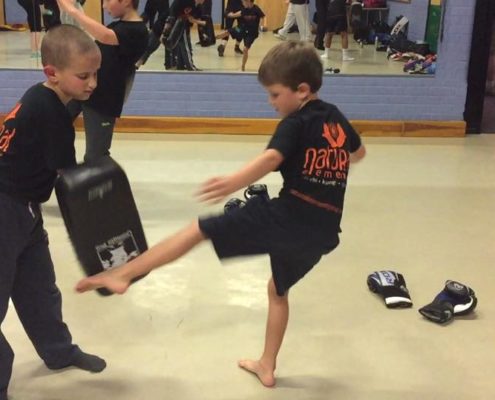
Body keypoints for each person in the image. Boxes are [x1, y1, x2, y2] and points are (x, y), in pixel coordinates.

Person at [75, 41, 366, 387]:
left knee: (200, 228)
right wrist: (324, 168)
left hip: (290, 215)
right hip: (323, 231)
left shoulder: (295, 123)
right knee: (278, 290)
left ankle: (124, 274)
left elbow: (272, 158)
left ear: (301, 91)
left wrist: (233, 182)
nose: (271, 103)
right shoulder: (335, 117)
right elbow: (358, 153)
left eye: (274, 95)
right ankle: (267, 366)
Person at [0, 25, 105, 400]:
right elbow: (69, 180)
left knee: (39, 288)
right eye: (84, 76)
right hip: (5, 210)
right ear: (52, 73)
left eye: (96, 73)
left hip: (24, 207)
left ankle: (59, 352)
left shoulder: (45, 97)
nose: (92, 83)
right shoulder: (51, 115)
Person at [56, 0, 148, 162]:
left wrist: (74, 11)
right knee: (55, 127)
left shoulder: (138, 31)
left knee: (95, 155)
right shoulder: (116, 26)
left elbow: (105, 36)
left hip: (103, 100)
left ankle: (108, 182)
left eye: (107, 1)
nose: (104, 6)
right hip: (83, 91)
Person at [216, 0, 265, 71]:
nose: (243, 2)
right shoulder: (245, 8)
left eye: (244, 2)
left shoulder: (255, 9)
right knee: (229, 31)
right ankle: (216, 41)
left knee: (245, 46)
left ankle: (242, 65)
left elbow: (263, 16)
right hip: (239, 22)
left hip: (250, 31)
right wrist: (229, 14)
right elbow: (237, 14)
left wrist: (263, 25)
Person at [160, 0, 206, 71]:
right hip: (179, 24)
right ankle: (190, 66)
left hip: (184, 24)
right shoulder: (186, 2)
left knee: (181, 43)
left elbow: (195, 18)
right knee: (186, 45)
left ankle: (180, 64)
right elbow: (174, 11)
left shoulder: (198, 7)